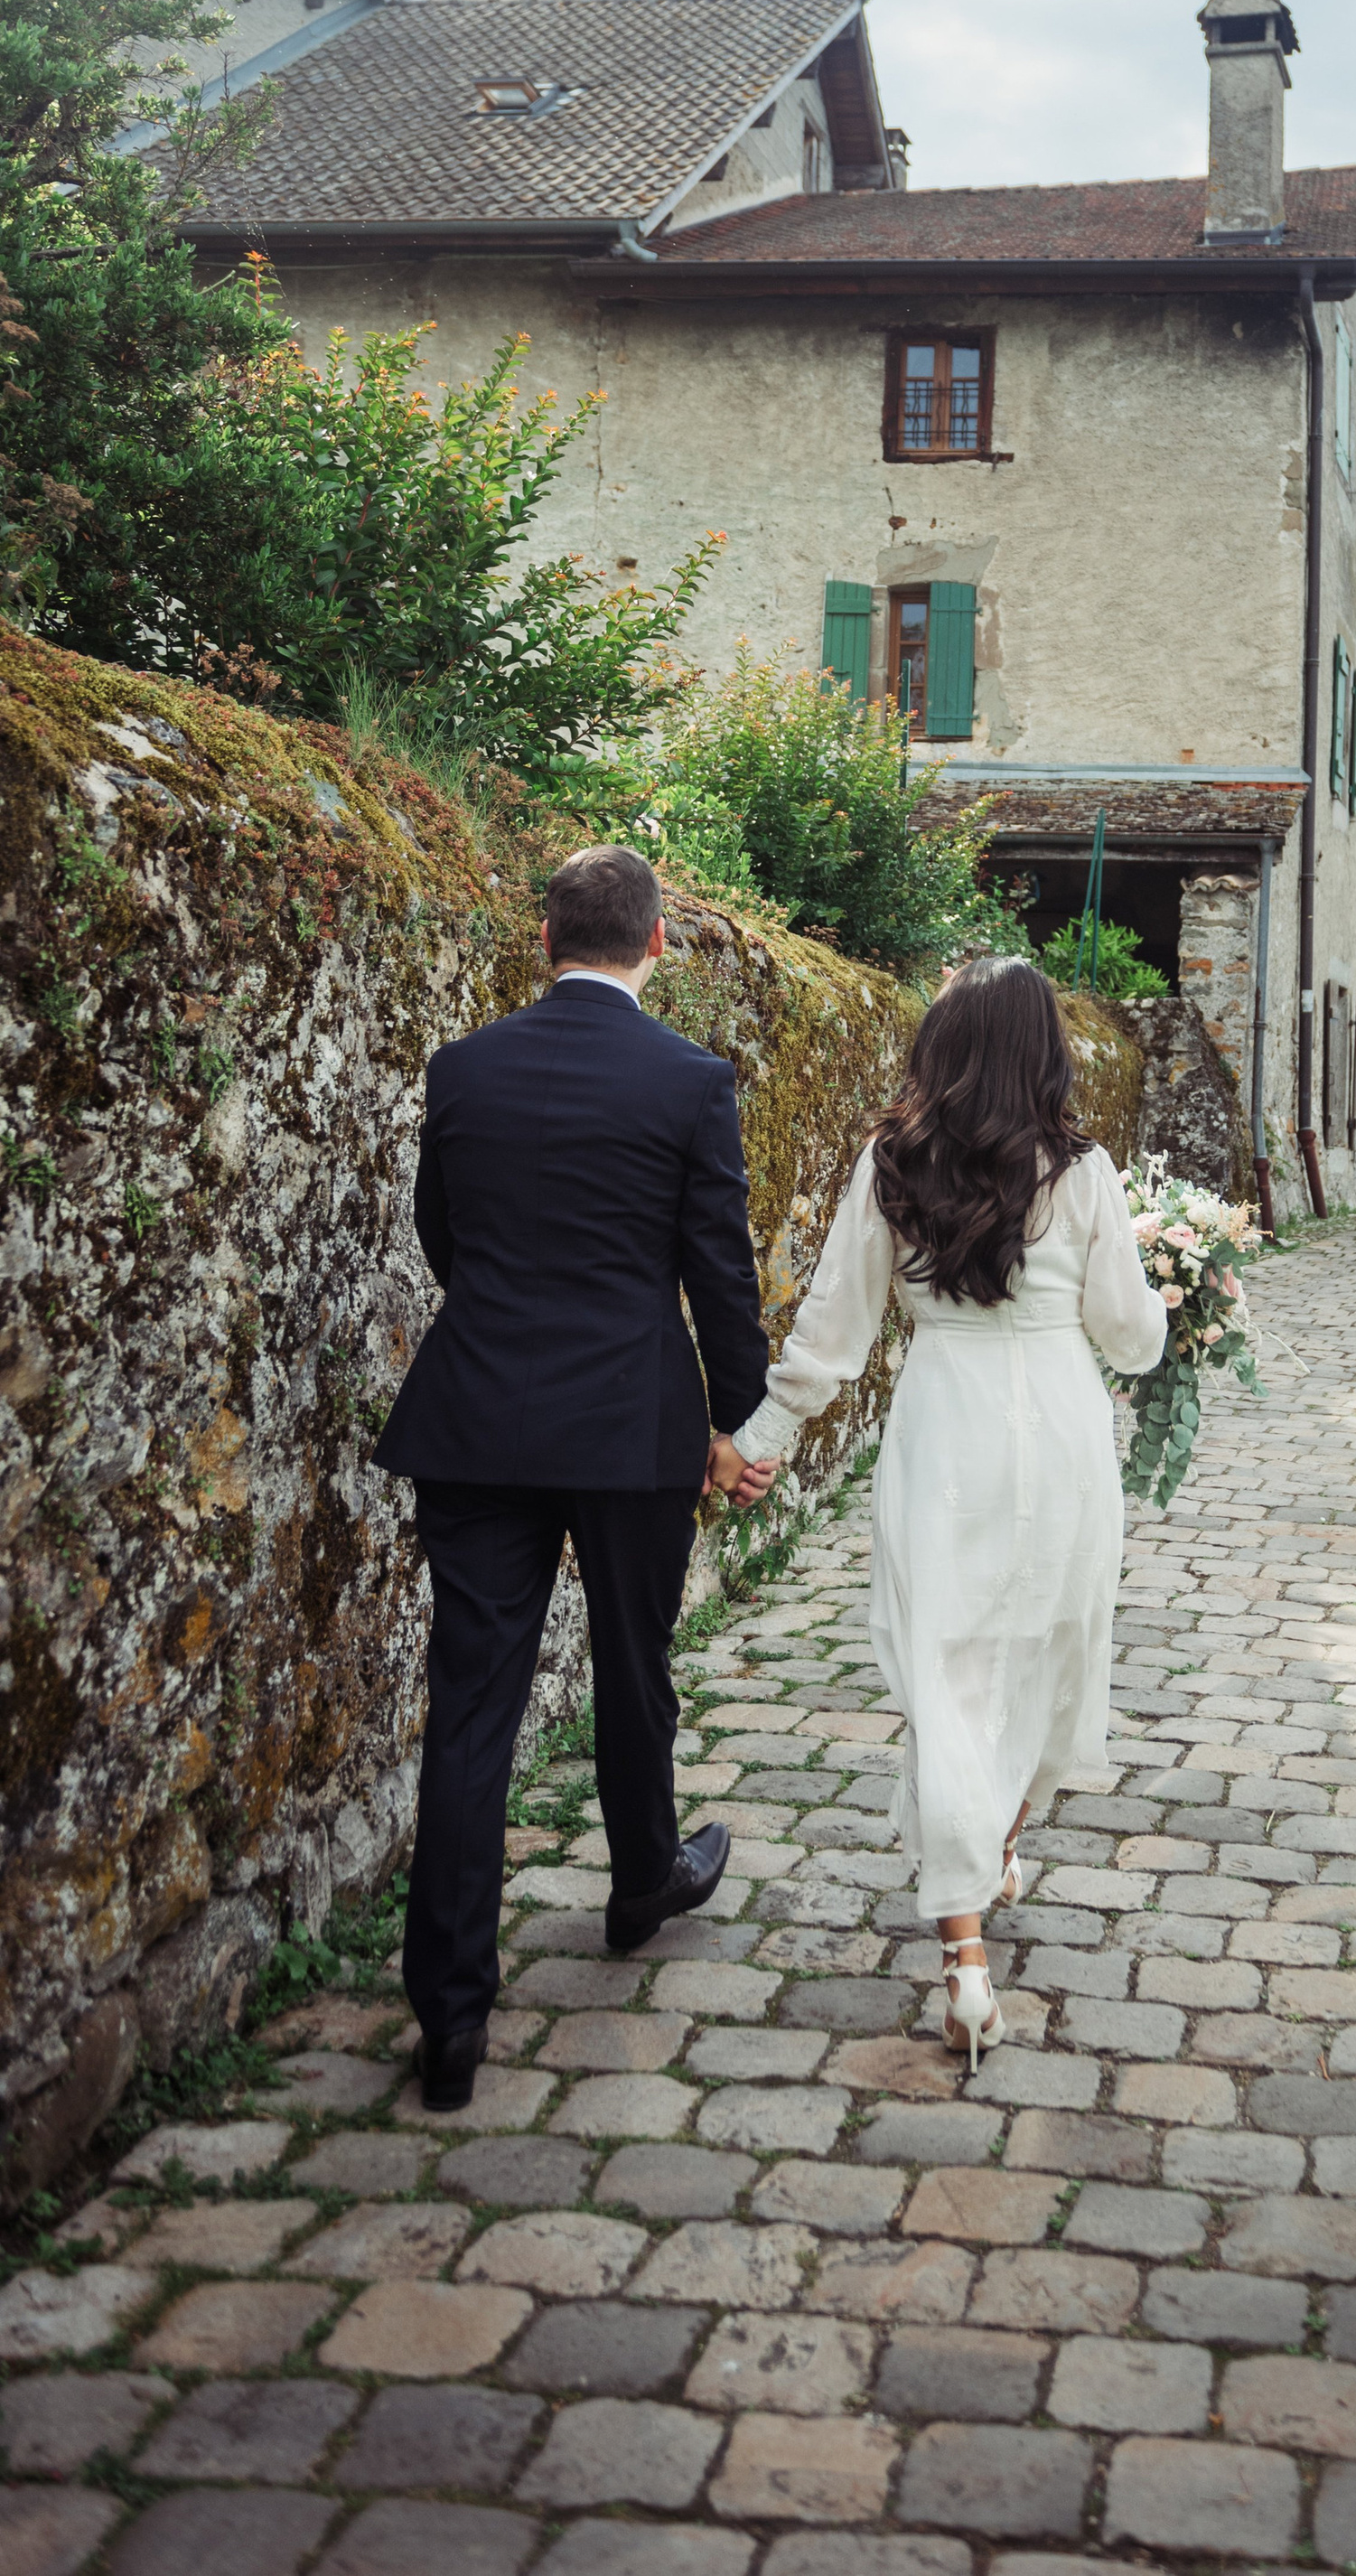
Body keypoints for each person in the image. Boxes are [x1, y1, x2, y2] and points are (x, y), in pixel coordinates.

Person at [379, 845, 778, 2114]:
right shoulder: (689, 1080)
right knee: (634, 1659)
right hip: (631, 1423)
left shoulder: (465, 1067)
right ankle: (640, 1881)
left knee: (474, 1706)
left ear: (543, 933)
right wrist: (739, 1418)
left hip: (478, 1415)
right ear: (658, 943)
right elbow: (719, 1265)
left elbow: (444, 1235)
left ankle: (449, 2015)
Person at [729, 956, 1169, 2069]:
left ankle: (965, 1961)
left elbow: (833, 1329)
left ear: (942, 1044)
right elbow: (1129, 1337)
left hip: (945, 1437)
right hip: (1061, 1438)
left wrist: (765, 1441)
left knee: (948, 1672)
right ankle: (990, 1848)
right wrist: (1168, 1301)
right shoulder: (1085, 1173)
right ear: (1044, 1051)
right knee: (1046, 1656)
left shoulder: (890, 1163)